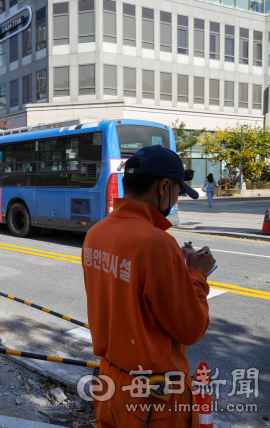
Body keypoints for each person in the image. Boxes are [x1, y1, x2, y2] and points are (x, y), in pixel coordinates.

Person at [82, 145, 216, 428]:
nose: (176, 200)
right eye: (178, 192)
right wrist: (196, 274)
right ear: (164, 187)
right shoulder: (157, 243)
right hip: (154, 401)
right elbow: (191, 329)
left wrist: (172, 268)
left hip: (109, 383)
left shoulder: (96, 233)